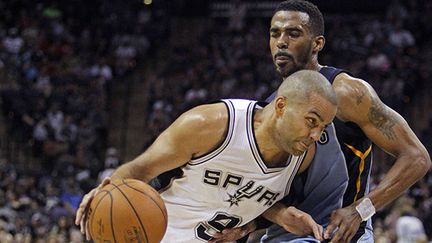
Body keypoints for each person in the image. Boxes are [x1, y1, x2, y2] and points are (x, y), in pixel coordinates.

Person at [212, 1, 431, 242]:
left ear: (318, 44)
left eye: (293, 33)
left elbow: (417, 157)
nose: (281, 41)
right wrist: (253, 222)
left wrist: (360, 210)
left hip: (343, 235)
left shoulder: (346, 92)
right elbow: (276, 192)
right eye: (275, 33)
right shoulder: (272, 106)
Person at [75, 70, 338, 242]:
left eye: (322, 127)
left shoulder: (301, 156)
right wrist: (105, 191)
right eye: (311, 121)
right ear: (281, 105)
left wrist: (276, 217)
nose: (316, 134)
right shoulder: (210, 125)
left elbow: (250, 192)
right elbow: (138, 170)